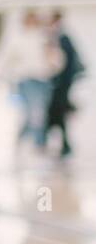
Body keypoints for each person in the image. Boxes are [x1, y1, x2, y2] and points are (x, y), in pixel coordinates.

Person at [0, 10, 55, 150]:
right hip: (26, 79)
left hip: (43, 79)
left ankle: (24, 138)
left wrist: (52, 65)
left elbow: (55, 58)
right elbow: (5, 59)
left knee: (38, 112)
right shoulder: (17, 39)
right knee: (35, 112)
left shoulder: (44, 37)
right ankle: (38, 143)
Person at [44, 10, 85, 159]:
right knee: (54, 115)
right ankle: (60, 144)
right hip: (57, 84)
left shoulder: (62, 38)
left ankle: (61, 145)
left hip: (60, 84)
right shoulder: (53, 37)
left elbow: (67, 64)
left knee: (56, 114)